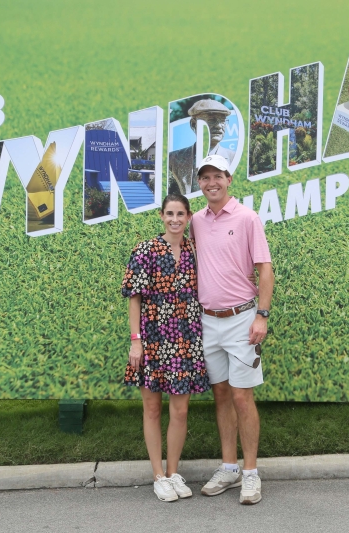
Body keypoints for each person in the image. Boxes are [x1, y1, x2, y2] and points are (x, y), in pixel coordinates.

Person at [190, 154, 274, 505]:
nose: (212, 183)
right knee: (222, 395)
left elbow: (265, 269)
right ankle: (229, 468)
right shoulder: (196, 220)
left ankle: (251, 473)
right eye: (205, 177)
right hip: (208, 320)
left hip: (242, 319)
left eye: (218, 176)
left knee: (242, 396)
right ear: (200, 183)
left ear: (229, 179)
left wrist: (262, 316)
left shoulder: (247, 218)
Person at [122, 193, 211, 502]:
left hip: (186, 338)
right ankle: (158, 475)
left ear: (188, 217)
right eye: (170, 213)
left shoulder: (195, 250)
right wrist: (136, 341)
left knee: (180, 410)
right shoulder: (145, 249)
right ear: (161, 215)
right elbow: (134, 297)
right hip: (152, 338)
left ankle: (173, 473)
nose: (175, 219)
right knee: (151, 408)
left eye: (180, 214)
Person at [169, 99, 237, 195]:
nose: (218, 126)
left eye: (222, 121)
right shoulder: (173, 158)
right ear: (193, 124)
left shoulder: (234, 158)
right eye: (212, 120)